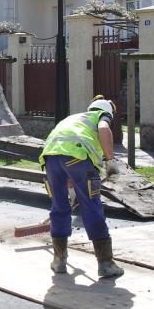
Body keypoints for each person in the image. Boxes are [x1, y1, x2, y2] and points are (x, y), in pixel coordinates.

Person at [38, 97, 124, 278]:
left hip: (50, 158)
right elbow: (103, 129)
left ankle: (59, 261)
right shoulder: (102, 115)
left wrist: (73, 188)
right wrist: (110, 160)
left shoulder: (74, 118)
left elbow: (64, 157)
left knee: (59, 207)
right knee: (91, 207)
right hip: (77, 157)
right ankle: (106, 263)